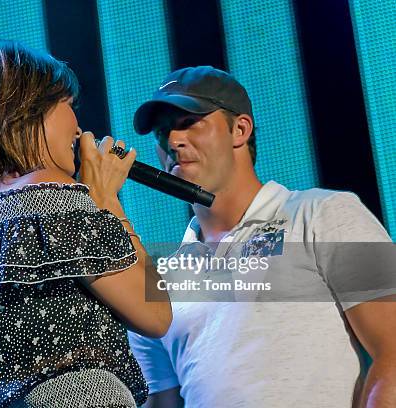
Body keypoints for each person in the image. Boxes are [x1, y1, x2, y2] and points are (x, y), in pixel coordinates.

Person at [0, 40, 172, 408]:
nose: (78, 127)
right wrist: (105, 200)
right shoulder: (52, 196)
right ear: (26, 111)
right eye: (68, 106)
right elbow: (155, 314)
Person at [127, 66, 396, 407]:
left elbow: (393, 353)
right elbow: (163, 401)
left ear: (239, 129)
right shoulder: (160, 280)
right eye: (163, 131)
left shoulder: (324, 213)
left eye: (188, 123)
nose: (173, 141)